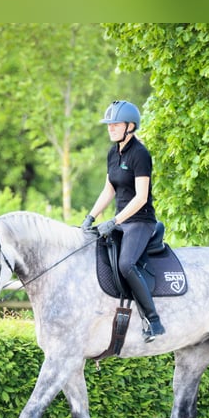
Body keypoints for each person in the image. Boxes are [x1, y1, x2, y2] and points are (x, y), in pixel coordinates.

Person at [81, 100, 165, 342]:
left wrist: (114, 220)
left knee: (126, 264)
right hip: (121, 221)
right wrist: (91, 217)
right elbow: (109, 190)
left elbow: (140, 198)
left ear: (130, 126)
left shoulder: (140, 154)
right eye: (109, 125)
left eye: (115, 124)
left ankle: (153, 321)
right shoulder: (112, 153)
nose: (111, 128)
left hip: (140, 221)